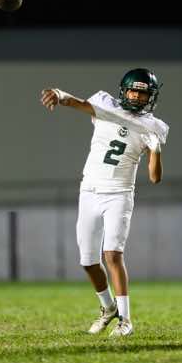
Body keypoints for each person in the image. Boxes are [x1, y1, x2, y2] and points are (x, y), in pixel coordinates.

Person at [40, 68, 169, 336]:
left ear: (151, 97)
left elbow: (155, 177)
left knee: (112, 254)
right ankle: (108, 308)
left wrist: (156, 151)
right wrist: (59, 94)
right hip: (89, 190)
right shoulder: (105, 106)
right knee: (88, 261)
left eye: (143, 93)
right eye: (133, 91)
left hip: (119, 193)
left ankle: (125, 320)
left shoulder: (153, 127)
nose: (137, 97)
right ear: (124, 91)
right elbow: (75, 102)